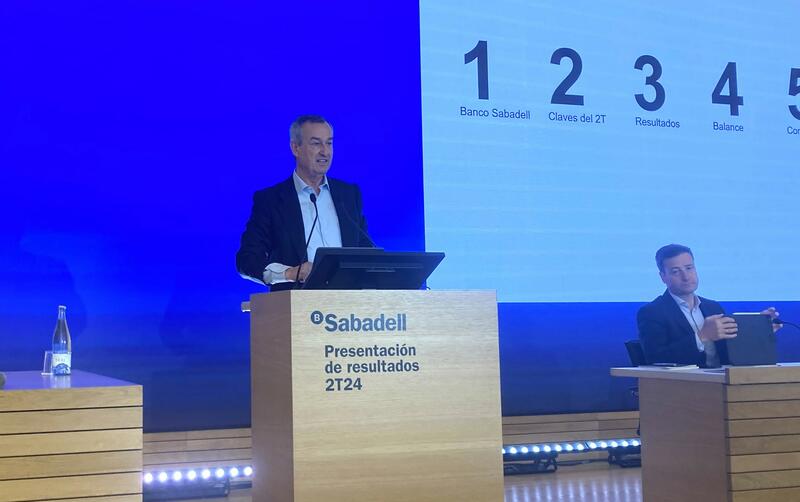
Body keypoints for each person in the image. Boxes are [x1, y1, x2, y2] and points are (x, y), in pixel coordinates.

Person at [236, 115, 372, 290]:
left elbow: (364, 250)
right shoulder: (271, 200)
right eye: (316, 143)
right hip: (297, 301)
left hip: (348, 303)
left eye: (329, 143)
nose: (325, 151)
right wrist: (290, 273)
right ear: (295, 148)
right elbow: (247, 260)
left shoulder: (349, 195)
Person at [637, 244, 779, 367]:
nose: (686, 276)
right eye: (676, 271)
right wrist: (702, 336)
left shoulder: (713, 307)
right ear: (663, 277)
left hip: (724, 380)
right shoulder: (652, 312)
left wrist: (759, 331)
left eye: (689, 268)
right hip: (684, 385)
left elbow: (732, 352)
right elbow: (656, 359)